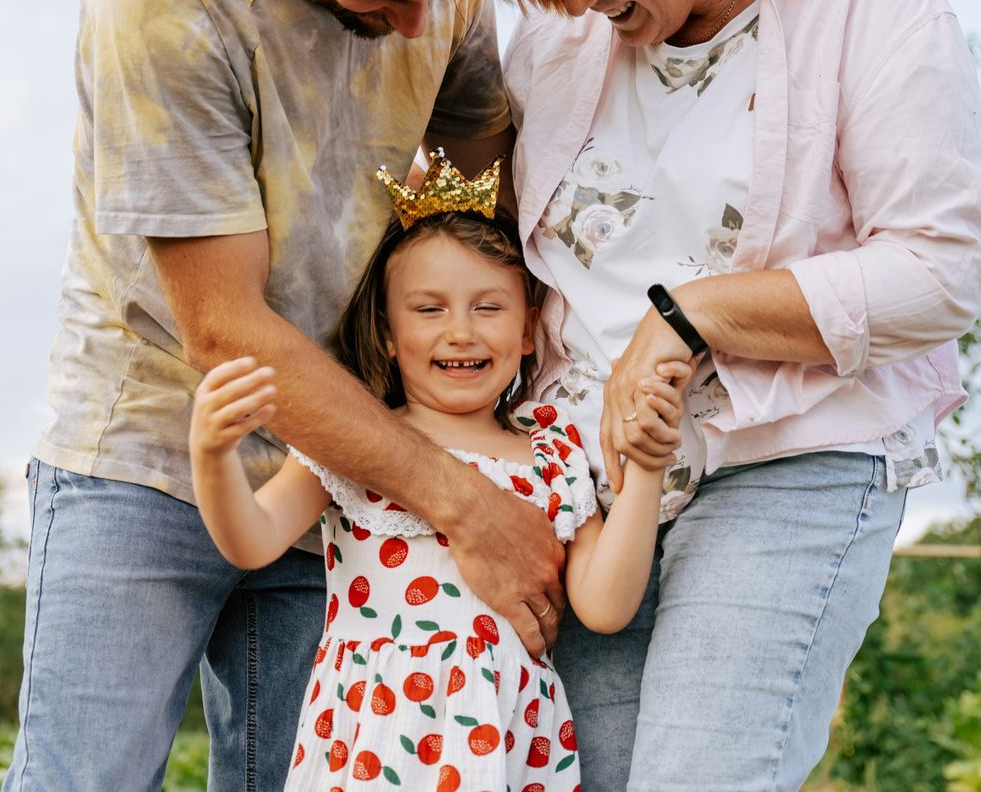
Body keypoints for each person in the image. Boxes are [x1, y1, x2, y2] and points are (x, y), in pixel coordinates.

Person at [5, 0, 568, 792]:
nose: (416, 27)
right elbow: (225, 327)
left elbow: (470, 205)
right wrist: (463, 501)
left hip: (345, 474)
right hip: (147, 450)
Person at [482, 0, 981, 791]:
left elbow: (941, 271)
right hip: (589, 486)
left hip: (785, 457)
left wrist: (692, 317)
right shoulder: (558, 39)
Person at [190, 156, 674, 792]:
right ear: (388, 333)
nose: (460, 331)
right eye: (428, 309)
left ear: (529, 330)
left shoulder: (551, 454)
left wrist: (644, 472)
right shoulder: (356, 445)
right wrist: (212, 456)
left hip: (506, 737)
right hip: (375, 730)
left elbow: (605, 607)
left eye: (488, 306)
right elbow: (251, 540)